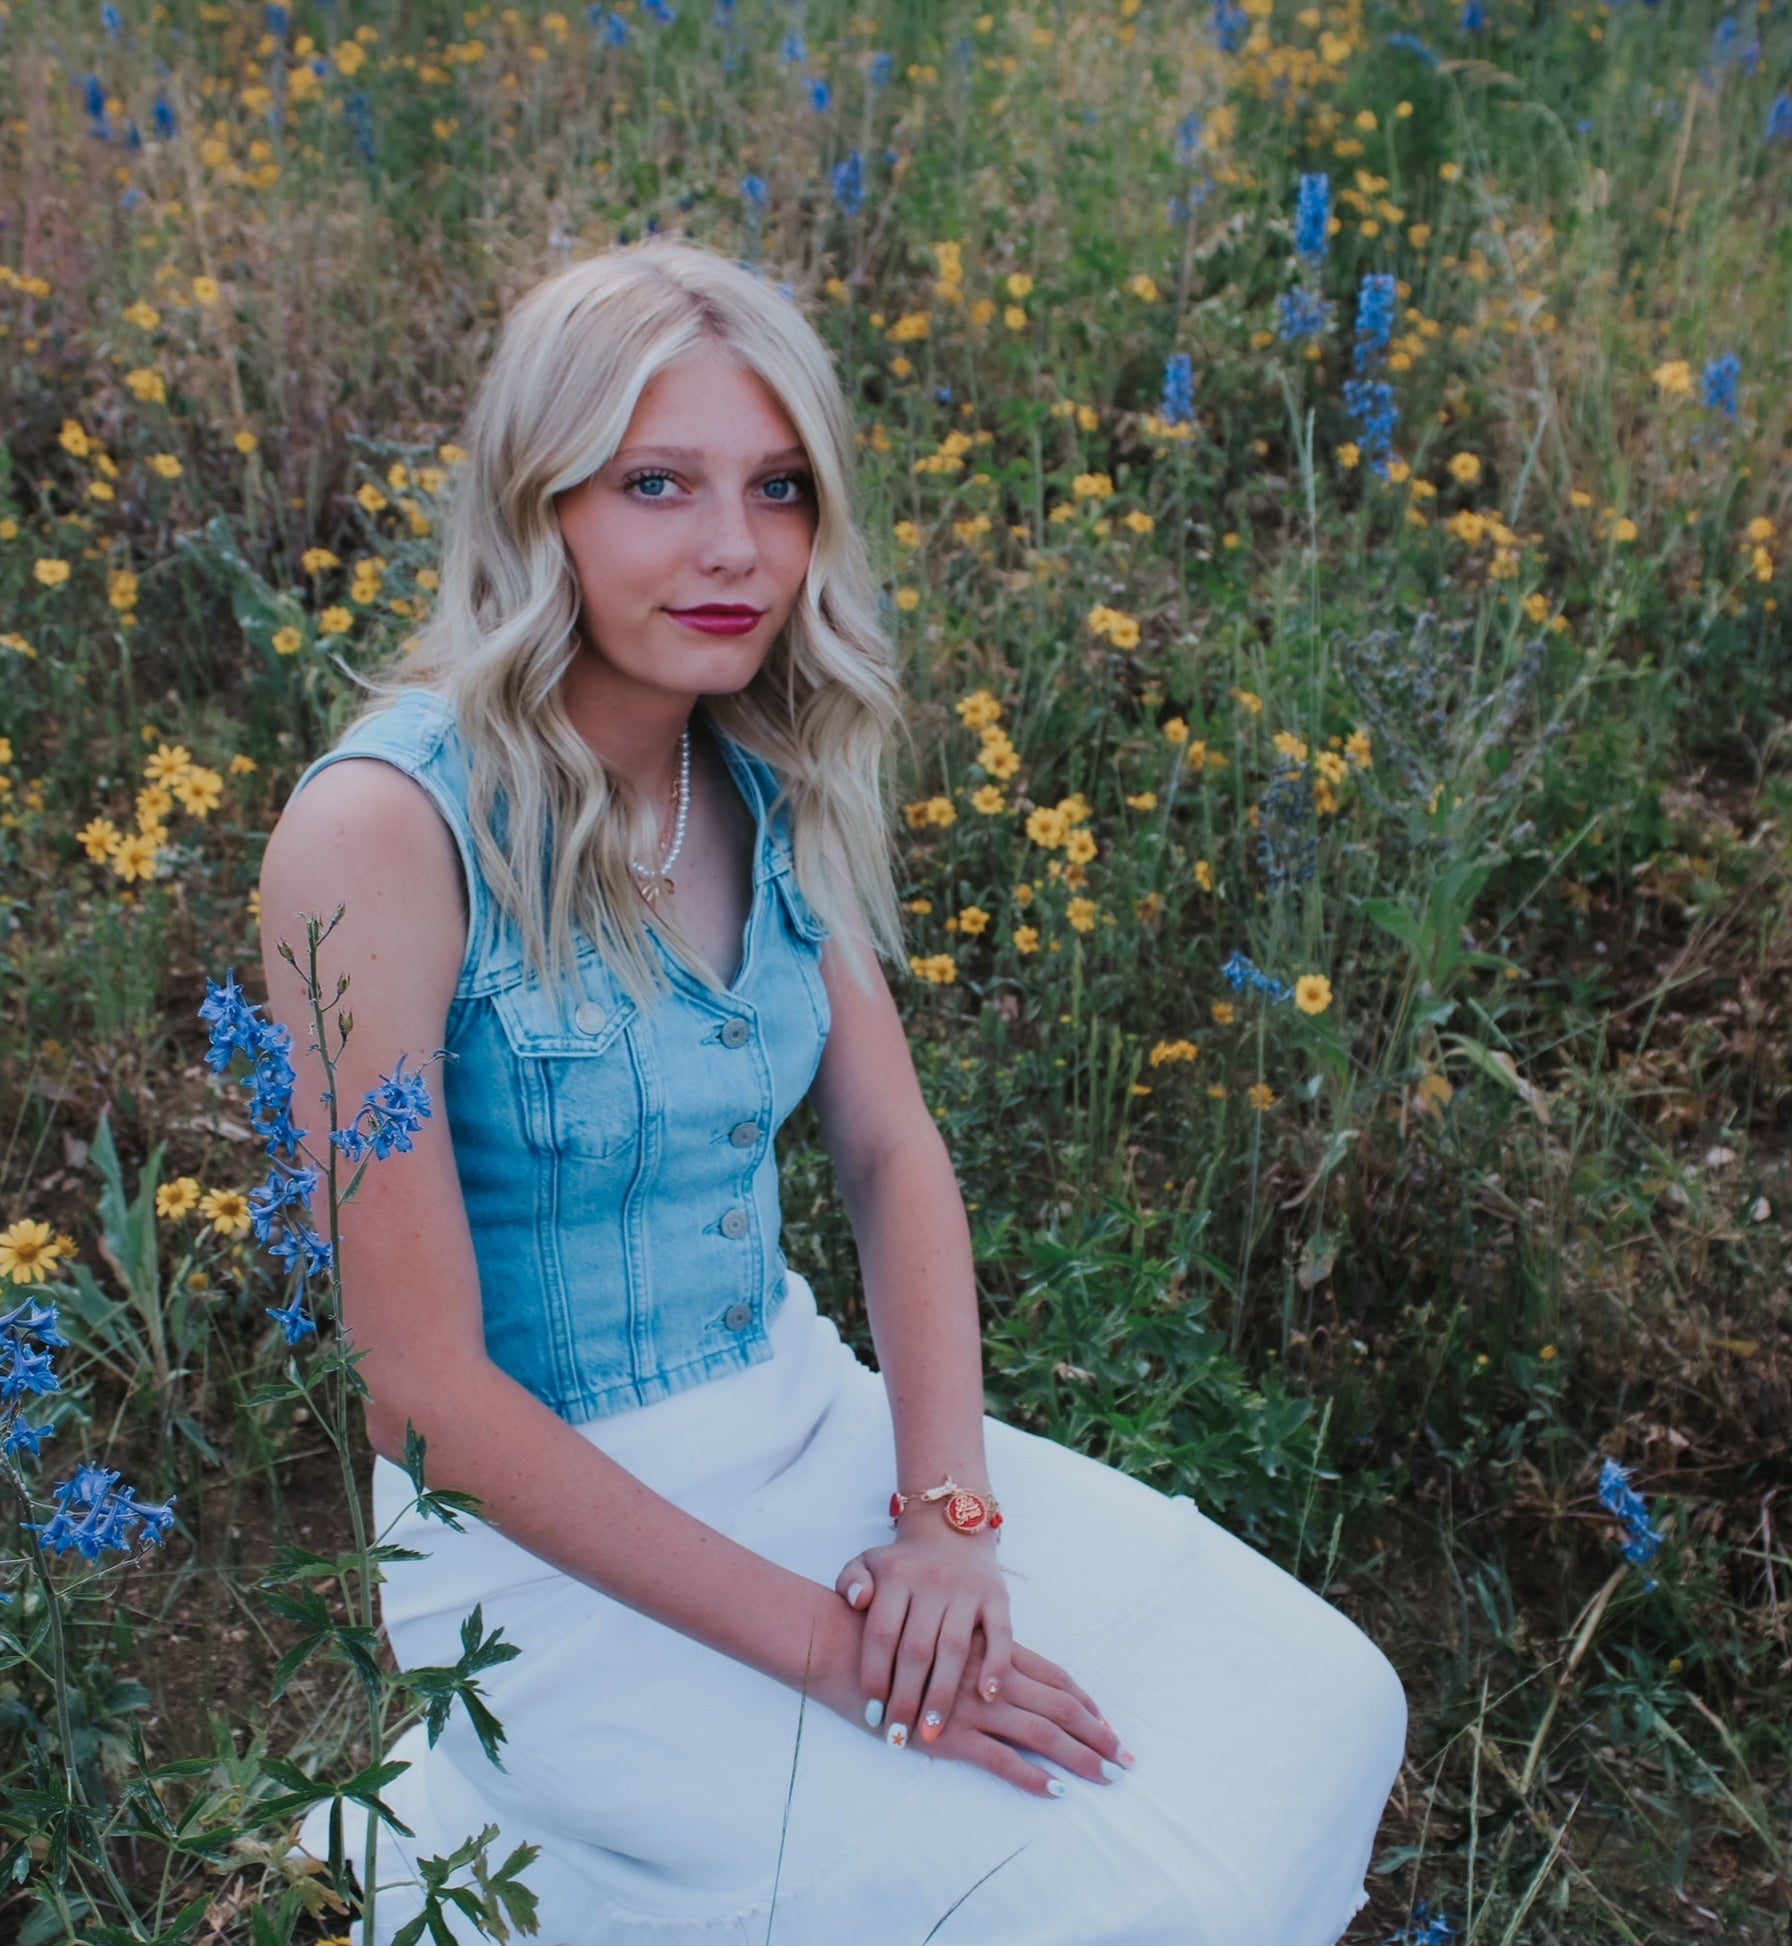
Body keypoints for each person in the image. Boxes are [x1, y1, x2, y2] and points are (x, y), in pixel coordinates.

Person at [269, 237, 1406, 1945]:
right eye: (657, 483)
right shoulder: (383, 828)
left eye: (779, 486)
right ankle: (522, 1836)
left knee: (1323, 1700)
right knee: (1113, 1902)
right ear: (537, 500)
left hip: (805, 1419)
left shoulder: (759, 763)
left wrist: (944, 1525)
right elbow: (415, 1389)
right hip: (536, 1561)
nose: (737, 547)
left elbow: (888, 1152)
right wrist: (830, 1648)